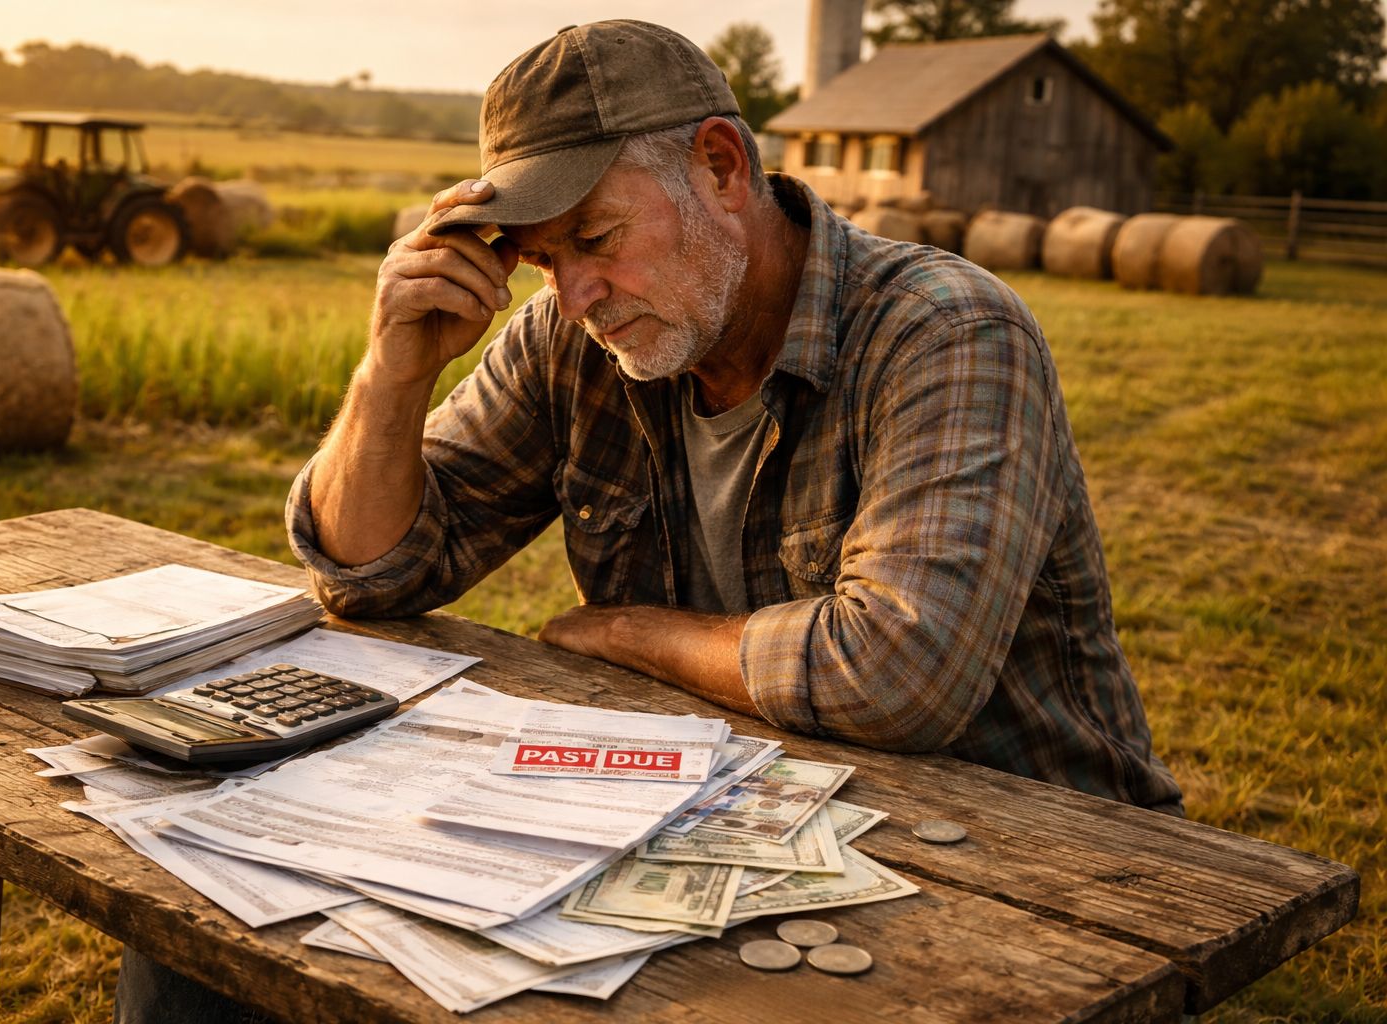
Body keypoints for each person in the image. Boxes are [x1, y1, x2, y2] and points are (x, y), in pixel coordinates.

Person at [117, 18, 1180, 1020]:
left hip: (1023, 861)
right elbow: (369, 575)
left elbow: (898, 674)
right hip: (735, 823)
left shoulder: (945, 331)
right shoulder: (571, 339)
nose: (575, 294)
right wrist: (392, 371)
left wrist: (621, 631)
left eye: (598, 236)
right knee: (208, 917)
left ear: (721, 168)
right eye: (542, 259)